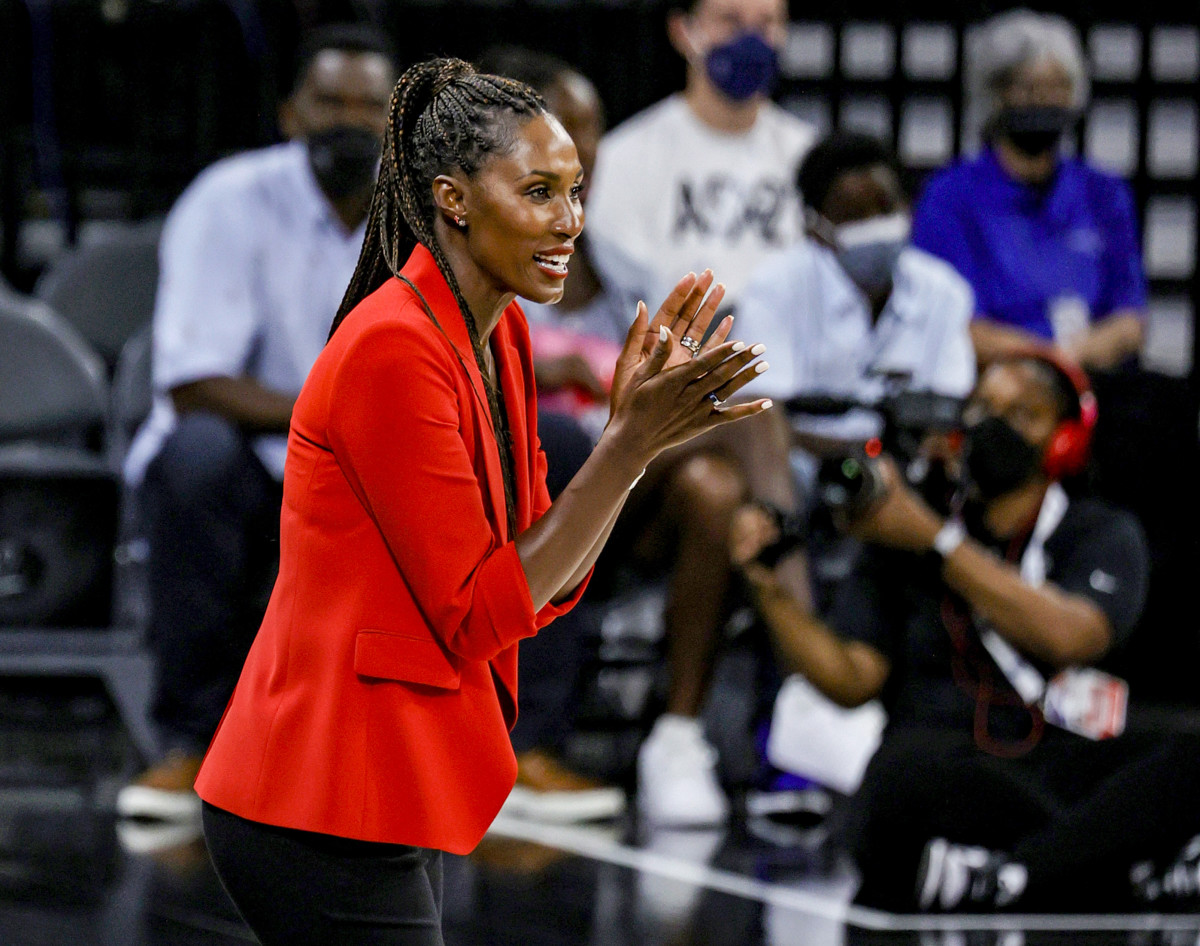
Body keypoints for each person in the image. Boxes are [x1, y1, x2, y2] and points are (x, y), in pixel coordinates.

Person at [194, 58, 772, 946]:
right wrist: (628, 449)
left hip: (381, 784)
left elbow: (541, 587)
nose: (569, 222)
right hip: (318, 794)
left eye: (575, 191)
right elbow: (475, 612)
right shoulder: (392, 349)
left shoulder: (496, 333)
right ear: (454, 199)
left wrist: (627, 437)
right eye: (539, 191)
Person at [732, 350, 1200, 912]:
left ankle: (1016, 875)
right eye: (981, 408)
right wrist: (766, 588)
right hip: (954, 763)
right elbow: (851, 679)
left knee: (1187, 751)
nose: (993, 427)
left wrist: (938, 542)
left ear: (1064, 440)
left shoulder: (1098, 529)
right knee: (898, 780)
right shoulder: (901, 525)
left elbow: (1072, 636)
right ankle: (1102, 865)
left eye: (1023, 414)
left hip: (1063, 755)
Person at [116, 24, 398, 821]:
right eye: (329, 102)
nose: (350, 121)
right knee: (193, 459)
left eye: (370, 106)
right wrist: (335, 421)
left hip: (372, 457)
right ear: (289, 115)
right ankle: (190, 744)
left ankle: (484, 751)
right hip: (249, 448)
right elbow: (195, 384)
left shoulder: (429, 213)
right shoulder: (228, 200)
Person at [911, 9, 1146, 370]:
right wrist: (1044, 359)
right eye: (1027, 88)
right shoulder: (950, 196)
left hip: (1091, 378)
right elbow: (952, 324)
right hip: (992, 381)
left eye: (1057, 88)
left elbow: (1131, 319)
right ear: (995, 94)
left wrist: (1072, 359)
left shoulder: (1103, 193)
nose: (1042, 101)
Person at [585, 0, 816, 307]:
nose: (750, 40)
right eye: (730, 21)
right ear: (683, 30)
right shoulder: (625, 158)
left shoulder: (810, 157)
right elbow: (625, 284)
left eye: (766, 24)